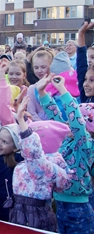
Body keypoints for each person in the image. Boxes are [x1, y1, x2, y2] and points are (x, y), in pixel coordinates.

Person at [38, 74, 94, 232]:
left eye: (73, 120)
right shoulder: (68, 138)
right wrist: (42, 92)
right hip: (60, 204)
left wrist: (62, 89)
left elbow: (75, 118)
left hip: (79, 208)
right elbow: (55, 117)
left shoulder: (85, 143)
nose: (67, 122)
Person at [9, 96, 71, 232]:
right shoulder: (31, 160)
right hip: (19, 211)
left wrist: (21, 120)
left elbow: (34, 155)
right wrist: (21, 119)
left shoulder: (46, 165)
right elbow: (29, 149)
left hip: (35, 215)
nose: (22, 141)